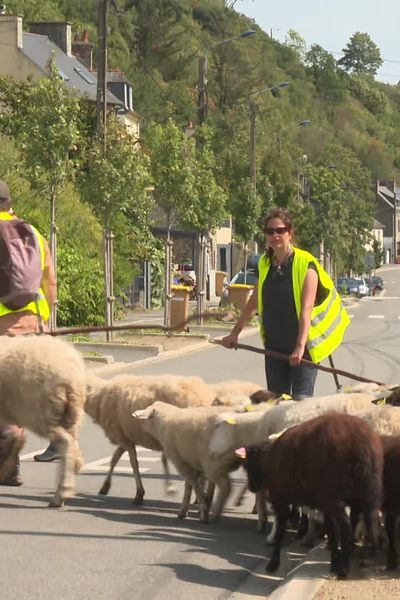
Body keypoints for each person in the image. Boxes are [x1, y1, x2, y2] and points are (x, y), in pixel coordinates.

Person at [221, 207, 350, 399]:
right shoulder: (265, 264)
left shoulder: (306, 264)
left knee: (300, 403)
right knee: (276, 404)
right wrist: (235, 333)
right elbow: (254, 301)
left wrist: (299, 347)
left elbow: (306, 309)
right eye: (270, 231)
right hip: (274, 347)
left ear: (290, 233)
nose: (275, 235)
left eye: (280, 230)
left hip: (304, 349)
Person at [0, 180, 57, 485]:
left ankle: (8, 446)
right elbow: (50, 281)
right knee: (16, 395)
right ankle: (10, 466)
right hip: (32, 328)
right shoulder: (33, 233)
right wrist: (46, 324)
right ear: (10, 203)